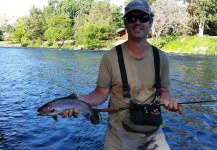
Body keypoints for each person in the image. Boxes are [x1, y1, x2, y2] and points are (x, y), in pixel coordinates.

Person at [61, 0, 183, 149]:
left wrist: (169, 101)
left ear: (150, 21)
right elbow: (100, 94)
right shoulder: (109, 58)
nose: (137, 22)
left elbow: (164, 92)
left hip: (154, 135)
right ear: (125, 23)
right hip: (117, 137)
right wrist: (73, 101)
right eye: (131, 18)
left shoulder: (161, 58)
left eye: (143, 18)